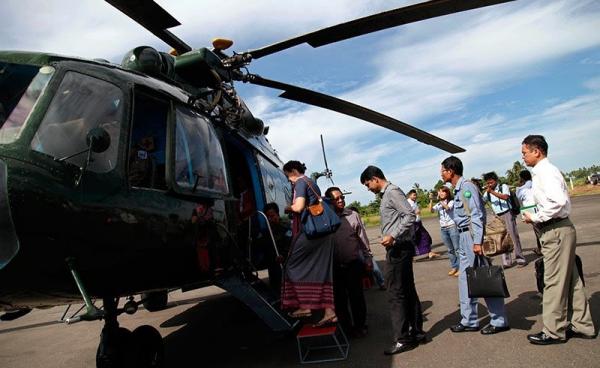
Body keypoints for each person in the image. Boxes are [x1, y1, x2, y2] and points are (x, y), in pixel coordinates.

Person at [521, 135, 596, 344]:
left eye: (524, 153)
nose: (523, 158)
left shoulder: (545, 172)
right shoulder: (544, 172)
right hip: (560, 230)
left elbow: (558, 201)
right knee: (572, 281)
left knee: (553, 282)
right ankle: (583, 325)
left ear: (537, 151)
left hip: (555, 231)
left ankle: (553, 331)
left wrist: (535, 216)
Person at [441, 156, 510, 335]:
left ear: (451, 171)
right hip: (463, 236)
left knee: (483, 277)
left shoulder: (467, 187)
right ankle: (469, 320)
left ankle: (499, 320)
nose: (441, 174)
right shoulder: (457, 190)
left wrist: (478, 241)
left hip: (472, 236)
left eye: (443, 170)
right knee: (465, 279)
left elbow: (477, 214)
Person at [360, 166, 424, 355]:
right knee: (407, 290)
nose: (368, 188)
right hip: (399, 247)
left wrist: (393, 236)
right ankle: (416, 332)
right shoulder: (388, 194)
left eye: (367, 184)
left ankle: (403, 339)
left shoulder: (392, 192)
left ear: (374, 178)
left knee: (396, 293)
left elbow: (410, 215)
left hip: (398, 248)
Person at [280, 160, 337, 327]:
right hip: (324, 232)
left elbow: (298, 207)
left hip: (311, 232)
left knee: (291, 265)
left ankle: (305, 305)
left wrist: (287, 208)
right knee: (321, 269)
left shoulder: (300, 182)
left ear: (294, 171)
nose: (288, 179)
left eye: (288, 175)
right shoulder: (312, 183)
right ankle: (329, 311)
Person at [325, 187, 371, 337]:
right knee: (340, 301)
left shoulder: (353, 215)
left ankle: (360, 326)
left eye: (342, 197)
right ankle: (347, 329)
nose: (341, 200)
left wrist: (368, 258)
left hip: (353, 265)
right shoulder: (324, 218)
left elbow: (363, 239)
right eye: (336, 198)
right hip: (334, 268)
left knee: (356, 297)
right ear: (328, 202)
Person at [481, 171, 527, 267]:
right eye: (488, 183)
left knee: (513, 236)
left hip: (507, 213)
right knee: (501, 237)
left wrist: (492, 192)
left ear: (496, 180)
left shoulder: (503, 187)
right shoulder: (488, 192)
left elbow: (505, 197)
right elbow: (482, 202)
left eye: (491, 182)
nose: (489, 184)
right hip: (498, 216)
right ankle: (507, 262)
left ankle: (520, 259)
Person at [428, 186, 460, 276]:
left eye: (442, 192)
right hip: (443, 229)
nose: (440, 193)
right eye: (439, 192)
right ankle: (454, 267)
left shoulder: (451, 201)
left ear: (447, 193)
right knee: (450, 250)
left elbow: (447, 208)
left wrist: (439, 200)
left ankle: (462, 268)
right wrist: (431, 200)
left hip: (452, 227)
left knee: (457, 249)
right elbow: (431, 211)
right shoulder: (438, 204)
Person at [262, 202, 292, 297]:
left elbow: (289, 244)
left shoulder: (286, 228)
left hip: (286, 262)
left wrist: (283, 255)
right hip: (273, 264)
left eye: (272, 216)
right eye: (268, 217)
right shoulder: (266, 232)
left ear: (278, 214)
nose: (271, 219)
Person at [407, 189, 439, 260]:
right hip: (413, 224)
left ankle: (429, 252)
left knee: (425, 237)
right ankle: (411, 255)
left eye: (416, 195)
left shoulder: (414, 202)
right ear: (410, 195)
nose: (415, 196)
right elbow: (406, 213)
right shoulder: (407, 203)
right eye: (414, 195)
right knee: (416, 239)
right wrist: (415, 212)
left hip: (418, 223)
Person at [516, 170, 541, 255]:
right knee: (541, 229)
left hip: (531, 211)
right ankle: (540, 248)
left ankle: (543, 249)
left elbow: (518, 199)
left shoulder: (521, 189)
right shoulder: (536, 183)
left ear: (521, 178)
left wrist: (519, 187)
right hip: (540, 208)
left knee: (538, 230)